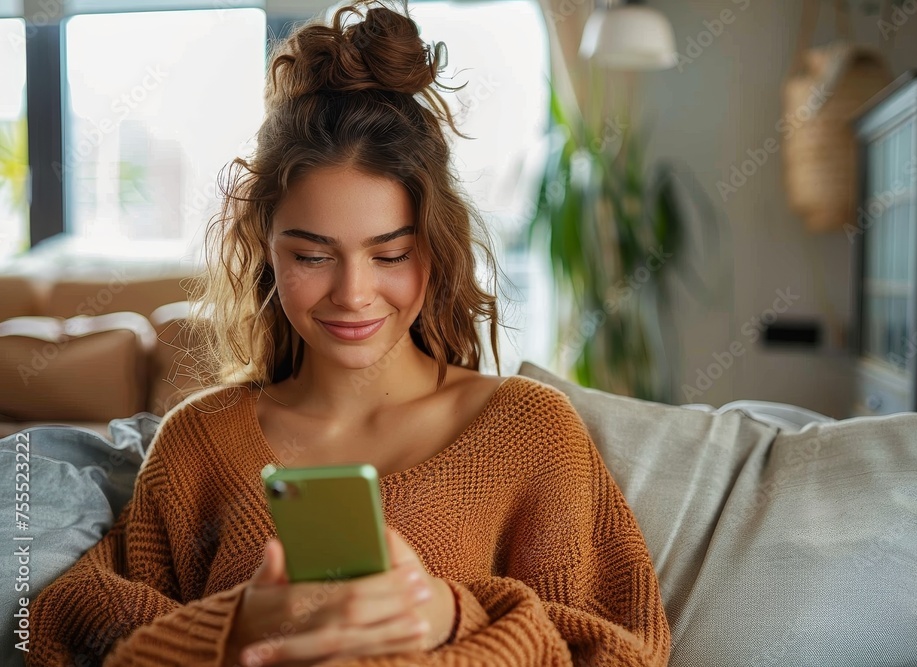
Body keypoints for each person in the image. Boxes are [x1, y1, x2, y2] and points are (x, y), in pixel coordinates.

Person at [26, 1, 670, 665]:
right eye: (311, 255)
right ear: (265, 246)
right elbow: (74, 636)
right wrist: (237, 625)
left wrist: (452, 614)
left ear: (436, 247)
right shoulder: (198, 444)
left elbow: (620, 652)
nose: (353, 293)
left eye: (389, 254)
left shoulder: (532, 431)